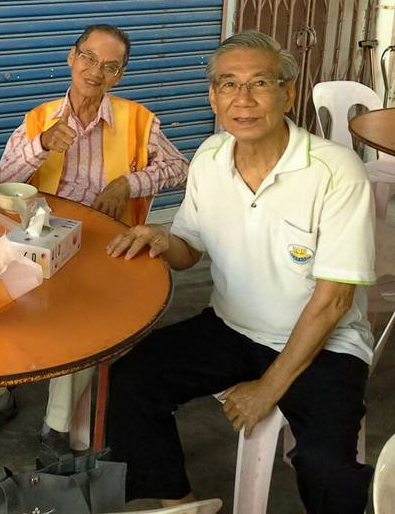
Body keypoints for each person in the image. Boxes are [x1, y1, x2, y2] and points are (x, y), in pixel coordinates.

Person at [106, 31, 375, 512]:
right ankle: (179, 502)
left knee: (325, 466)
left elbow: (333, 301)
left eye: (260, 83)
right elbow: (190, 249)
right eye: (228, 84)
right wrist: (163, 240)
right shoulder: (210, 157)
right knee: (130, 378)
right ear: (213, 97)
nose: (243, 99)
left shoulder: (335, 170)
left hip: (323, 343)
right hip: (231, 327)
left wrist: (268, 388)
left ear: (287, 93)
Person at [0, 24, 189, 457]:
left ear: (119, 75)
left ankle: (56, 426)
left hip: (106, 244)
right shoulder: (40, 118)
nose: (95, 72)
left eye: (110, 66)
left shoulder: (139, 121)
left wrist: (127, 183)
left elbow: (181, 169)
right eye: (88, 58)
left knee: (83, 321)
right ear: (71, 57)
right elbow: (5, 179)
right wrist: (42, 144)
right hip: (35, 239)